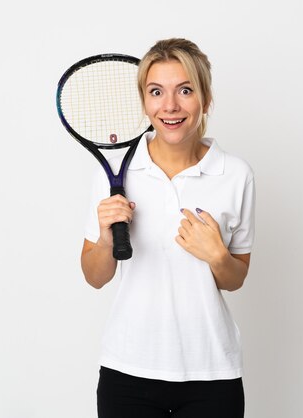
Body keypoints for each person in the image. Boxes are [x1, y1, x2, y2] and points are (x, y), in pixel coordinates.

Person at [81, 38, 255, 418]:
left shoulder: (236, 174)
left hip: (212, 374)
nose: (170, 105)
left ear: (205, 99)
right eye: (156, 92)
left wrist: (216, 255)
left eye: (185, 90)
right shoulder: (113, 176)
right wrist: (108, 237)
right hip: (128, 371)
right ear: (144, 102)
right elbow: (95, 277)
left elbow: (235, 278)